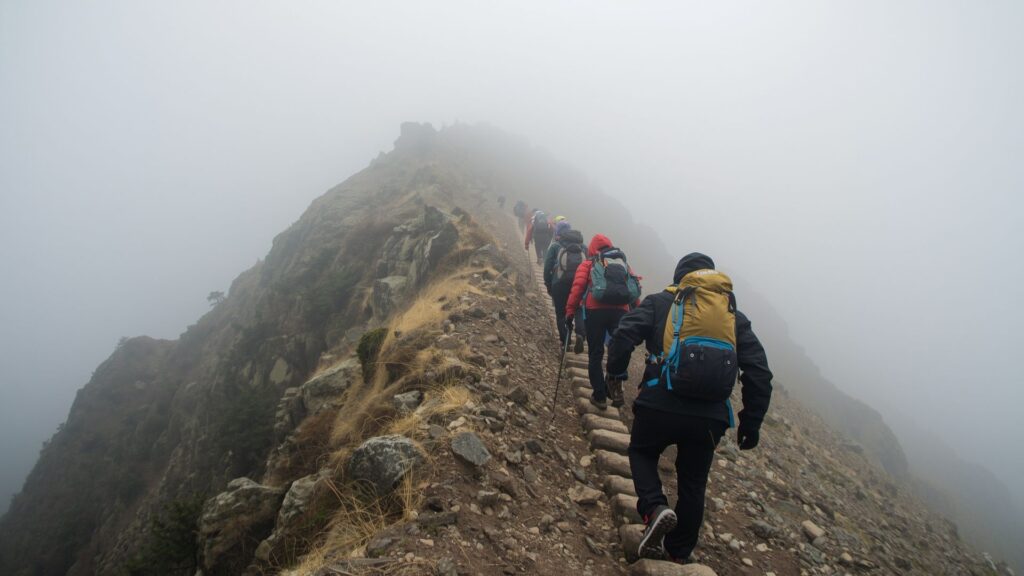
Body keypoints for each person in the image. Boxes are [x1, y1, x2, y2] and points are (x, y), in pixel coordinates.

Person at [604, 252, 773, 563]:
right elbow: (759, 372)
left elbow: (624, 335)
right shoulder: (732, 316)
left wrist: (615, 373)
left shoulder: (660, 302)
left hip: (659, 403)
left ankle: (654, 508)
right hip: (709, 416)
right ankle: (678, 553)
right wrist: (751, 423)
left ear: (679, 278)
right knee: (693, 482)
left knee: (642, 452)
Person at [564, 234, 640, 409]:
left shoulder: (589, 264)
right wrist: (638, 312)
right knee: (617, 348)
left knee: (596, 353)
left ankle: (599, 396)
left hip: (595, 311)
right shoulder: (622, 263)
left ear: (592, 249)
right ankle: (614, 384)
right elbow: (634, 288)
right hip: (620, 311)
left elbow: (577, 289)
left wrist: (570, 311)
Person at [544, 221, 586, 353]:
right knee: (578, 309)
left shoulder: (556, 246)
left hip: (559, 283)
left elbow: (547, 267)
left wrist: (549, 285)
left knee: (561, 313)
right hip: (579, 284)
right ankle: (580, 333)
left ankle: (565, 340)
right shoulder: (583, 247)